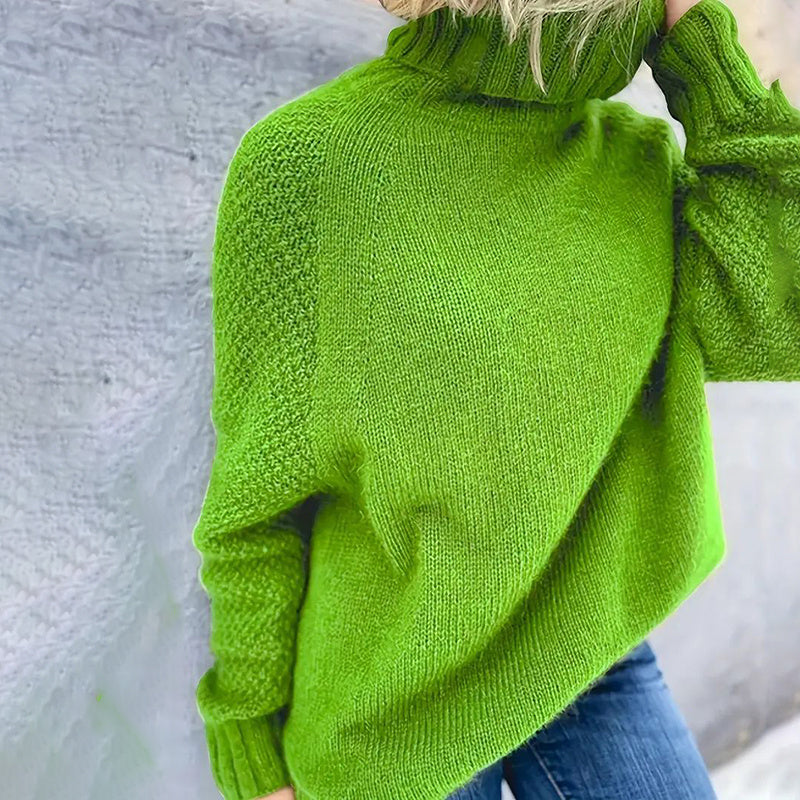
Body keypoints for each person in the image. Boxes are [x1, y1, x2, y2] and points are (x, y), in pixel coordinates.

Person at [190, 1, 800, 799]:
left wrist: (705, 58)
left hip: (594, 663)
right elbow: (257, 503)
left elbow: (781, 322)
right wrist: (252, 757)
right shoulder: (307, 167)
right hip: (388, 710)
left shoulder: (636, 165)